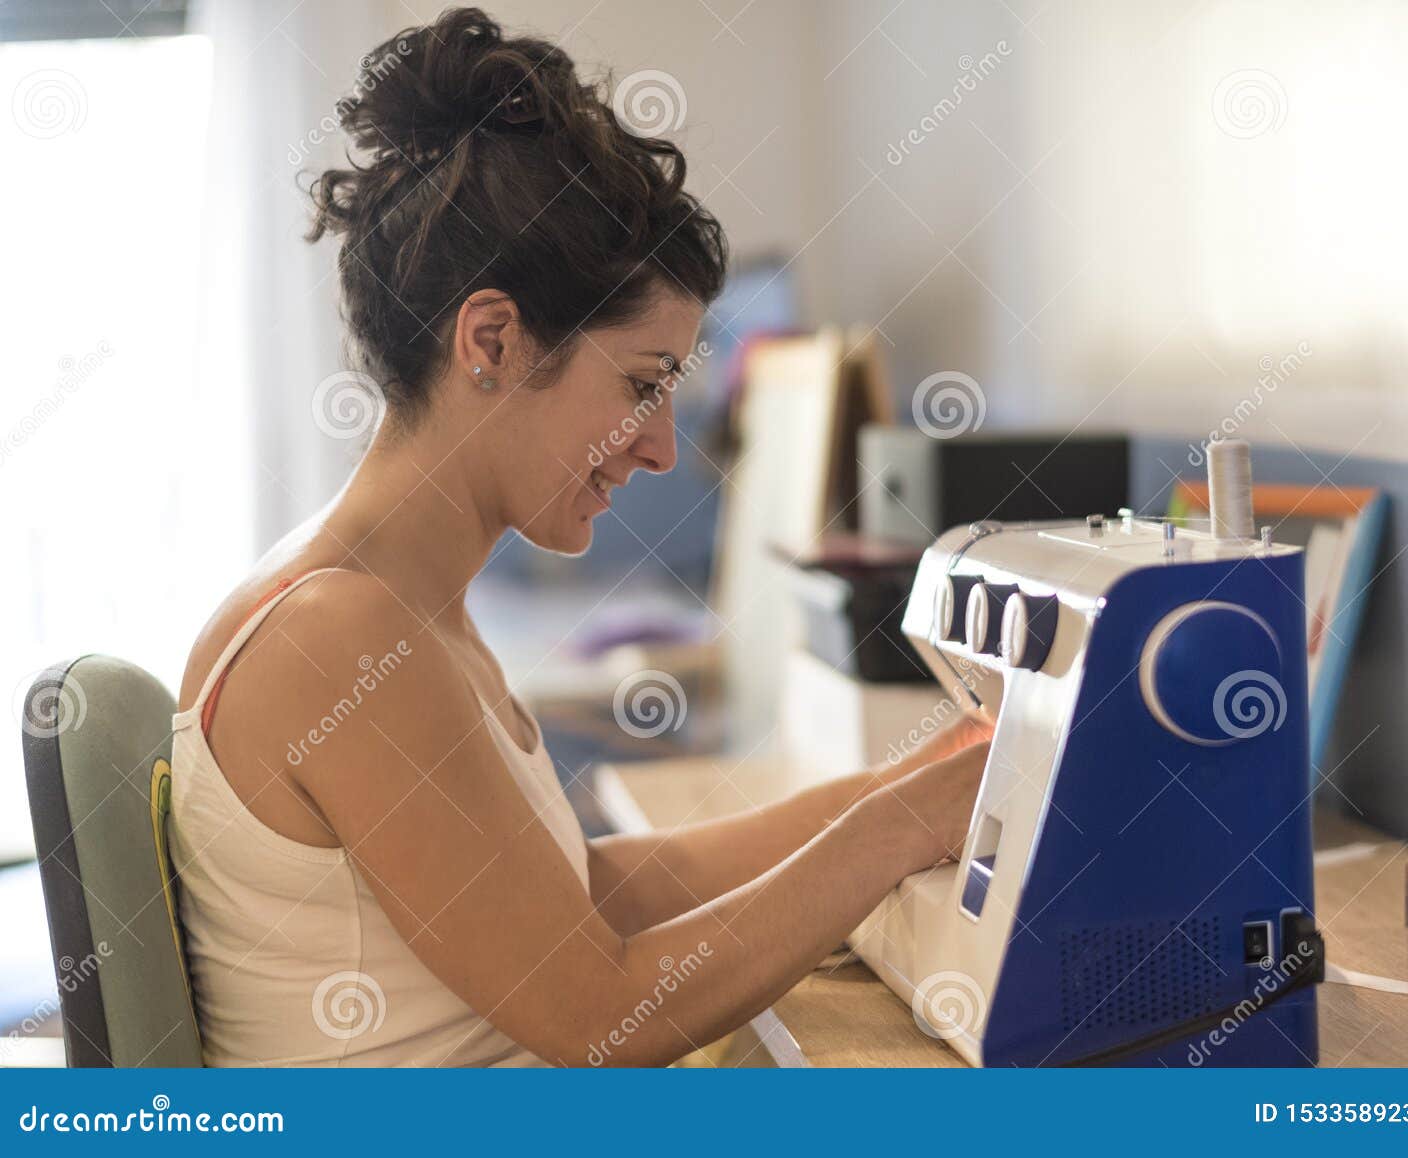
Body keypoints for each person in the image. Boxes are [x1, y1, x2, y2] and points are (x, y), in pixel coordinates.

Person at [170, 7, 988, 1067]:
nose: (658, 451)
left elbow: (579, 897)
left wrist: (894, 794)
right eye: (642, 387)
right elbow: (596, 1014)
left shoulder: (395, 605)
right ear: (493, 340)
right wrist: (896, 833)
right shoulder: (339, 638)